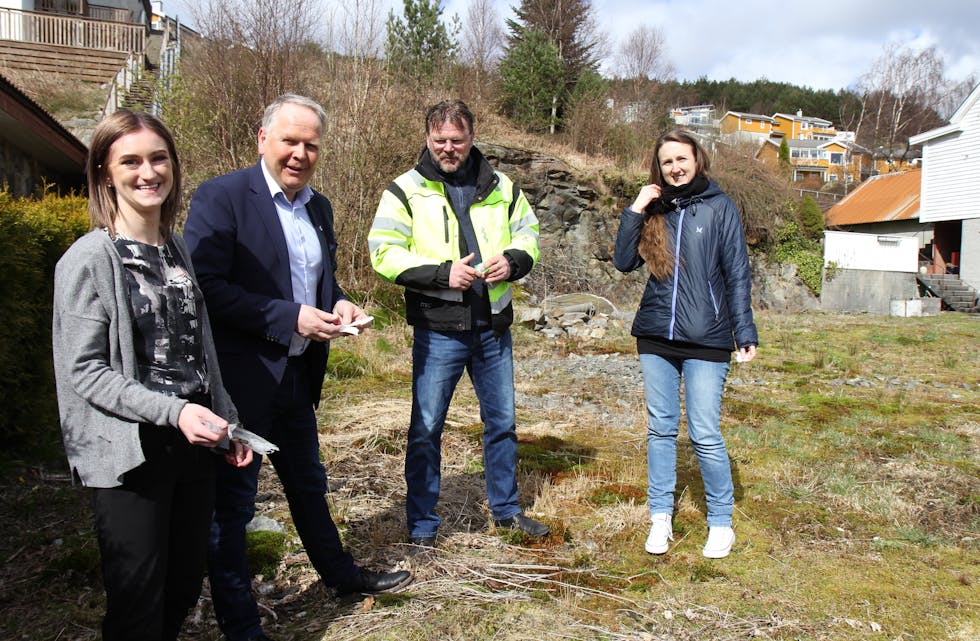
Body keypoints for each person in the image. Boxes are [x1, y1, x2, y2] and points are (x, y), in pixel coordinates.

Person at [183, 94, 411, 641]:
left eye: (311, 145)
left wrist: (340, 303)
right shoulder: (222, 197)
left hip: (297, 376)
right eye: (290, 141)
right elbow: (204, 287)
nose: (300, 154)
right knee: (233, 510)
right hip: (239, 387)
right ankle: (242, 627)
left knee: (309, 484)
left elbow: (317, 281)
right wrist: (290, 317)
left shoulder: (319, 207)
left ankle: (340, 577)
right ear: (263, 138)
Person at [51, 109, 253, 641]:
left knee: (182, 588)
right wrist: (176, 412)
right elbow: (84, 370)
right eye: (131, 161)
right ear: (104, 173)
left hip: (192, 442)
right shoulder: (88, 259)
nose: (148, 172)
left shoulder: (176, 247)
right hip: (131, 452)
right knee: (137, 605)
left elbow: (197, 348)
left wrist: (227, 420)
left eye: (158, 158)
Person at [368, 99, 549, 550]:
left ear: (472, 137)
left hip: (493, 327)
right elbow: (383, 252)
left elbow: (529, 234)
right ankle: (422, 525)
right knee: (426, 428)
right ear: (428, 138)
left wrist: (513, 261)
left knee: (502, 423)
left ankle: (506, 512)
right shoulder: (404, 190)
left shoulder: (503, 186)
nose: (448, 148)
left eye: (457, 140)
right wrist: (441, 273)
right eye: (440, 140)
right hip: (438, 330)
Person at [613, 129, 758, 560]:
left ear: (697, 159)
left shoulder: (720, 206)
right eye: (667, 162)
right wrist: (635, 209)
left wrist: (744, 331)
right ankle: (660, 516)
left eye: (682, 159)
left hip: (708, 337)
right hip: (655, 336)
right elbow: (623, 262)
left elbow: (737, 272)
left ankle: (720, 521)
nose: (675, 168)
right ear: (658, 168)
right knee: (660, 428)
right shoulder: (654, 209)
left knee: (704, 432)